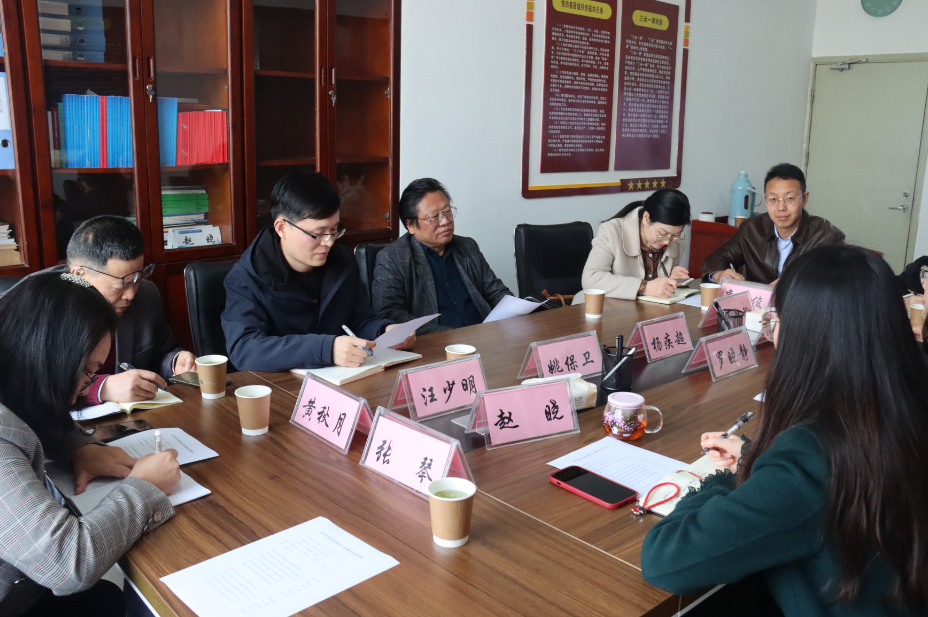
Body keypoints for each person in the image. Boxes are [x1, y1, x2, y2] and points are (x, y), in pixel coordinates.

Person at [641, 245, 928, 617]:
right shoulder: (906, 403)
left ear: (805, 334)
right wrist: (759, 459)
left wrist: (727, 478)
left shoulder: (813, 456)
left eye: (777, 318)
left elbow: (666, 559)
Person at [0, 272, 180, 617]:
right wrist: (146, 487)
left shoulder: (13, 371)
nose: (82, 391)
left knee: (108, 600)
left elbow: (31, 408)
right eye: (86, 373)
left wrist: (78, 448)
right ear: (44, 355)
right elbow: (68, 564)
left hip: (26, 585)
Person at [223, 172, 414, 372]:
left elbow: (358, 319)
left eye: (334, 230)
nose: (329, 242)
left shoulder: (342, 261)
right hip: (281, 385)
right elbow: (245, 349)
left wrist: (384, 331)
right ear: (282, 228)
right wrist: (326, 350)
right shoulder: (246, 277)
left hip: (344, 378)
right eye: (318, 233)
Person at [3, 215, 196, 404]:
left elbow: (163, 351)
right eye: (121, 286)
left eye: (137, 279)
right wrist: (100, 388)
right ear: (78, 274)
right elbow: (17, 382)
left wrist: (176, 363)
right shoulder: (32, 304)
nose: (131, 295)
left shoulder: (146, 295)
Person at [372, 178, 513, 334]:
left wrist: (519, 309)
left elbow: (497, 293)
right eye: (434, 217)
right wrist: (448, 335)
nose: (445, 221)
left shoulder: (467, 247)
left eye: (447, 211)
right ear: (410, 225)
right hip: (436, 341)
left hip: (483, 335)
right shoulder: (393, 258)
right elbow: (389, 313)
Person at [702, 163, 845, 285]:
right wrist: (718, 275)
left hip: (801, 308)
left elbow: (838, 285)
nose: (781, 208)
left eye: (790, 198)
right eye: (773, 199)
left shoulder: (828, 237)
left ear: (804, 199)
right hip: (757, 307)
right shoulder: (751, 229)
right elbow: (718, 258)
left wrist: (792, 286)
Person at [581, 189, 691, 300]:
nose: (667, 241)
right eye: (662, 233)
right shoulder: (611, 231)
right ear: (646, 218)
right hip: (604, 307)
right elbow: (590, 279)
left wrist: (672, 279)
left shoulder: (676, 241)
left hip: (647, 309)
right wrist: (644, 287)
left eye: (676, 234)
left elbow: (659, 287)